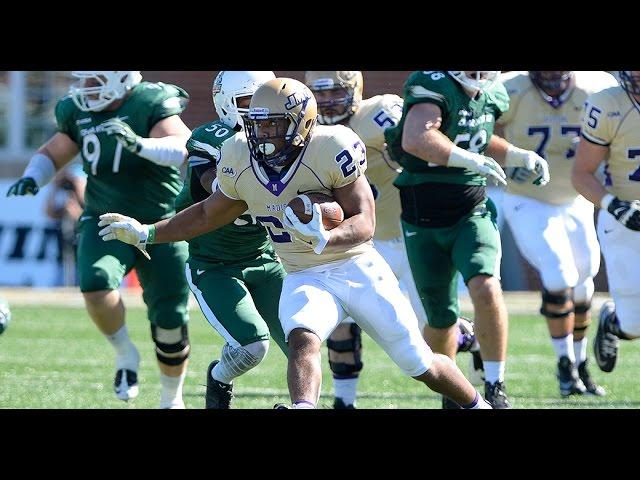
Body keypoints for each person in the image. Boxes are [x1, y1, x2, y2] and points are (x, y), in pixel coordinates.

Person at [98, 77, 492, 409]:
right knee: (302, 336)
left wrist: (327, 236)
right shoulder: (238, 154)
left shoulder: (332, 146)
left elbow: (365, 222)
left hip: (356, 267)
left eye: (273, 125)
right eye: (257, 124)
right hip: (303, 272)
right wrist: (147, 231)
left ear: (301, 123)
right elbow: (206, 214)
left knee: (419, 363)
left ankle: (479, 403)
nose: (262, 134)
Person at [7, 71, 192, 408]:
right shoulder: (78, 110)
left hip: (162, 222)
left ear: (121, 79)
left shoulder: (149, 101)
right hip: (103, 217)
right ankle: (125, 353)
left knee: (169, 319)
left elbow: (183, 148)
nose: (85, 87)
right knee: (95, 283)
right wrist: (35, 175)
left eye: (94, 80)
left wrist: (139, 144)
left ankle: (171, 397)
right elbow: (54, 151)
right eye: (84, 79)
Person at [304, 70, 480, 409]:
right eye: (319, 93)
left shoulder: (379, 112)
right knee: (342, 316)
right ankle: (344, 401)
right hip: (365, 242)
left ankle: (471, 339)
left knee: (428, 330)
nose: (326, 100)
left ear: (355, 89)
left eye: (335, 91)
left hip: (411, 233)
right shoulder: (311, 132)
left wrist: (396, 149)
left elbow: (420, 142)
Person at [384, 71, 550, 408]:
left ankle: (495, 383)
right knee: (440, 317)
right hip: (422, 214)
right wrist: (469, 159)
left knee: (486, 286)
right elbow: (417, 139)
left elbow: (477, 136)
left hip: (470, 208)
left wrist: (518, 155)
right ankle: (454, 392)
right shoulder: (433, 84)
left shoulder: (493, 93)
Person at [498, 71, 617, 396]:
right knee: (557, 272)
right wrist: (504, 160)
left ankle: (579, 365)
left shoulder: (597, 88)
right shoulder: (512, 88)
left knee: (585, 277)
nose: (551, 77)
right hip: (527, 198)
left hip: (576, 198)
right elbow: (477, 129)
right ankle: (565, 364)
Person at [176, 70, 289, 408]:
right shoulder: (212, 138)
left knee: (304, 339)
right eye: (248, 102)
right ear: (227, 104)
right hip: (216, 265)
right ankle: (220, 377)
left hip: (266, 260)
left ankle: (303, 404)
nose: (258, 112)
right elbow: (219, 187)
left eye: (264, 103)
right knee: (253, 346)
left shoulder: (286, 138)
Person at [572, 71, 640, 374]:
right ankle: (614, 322)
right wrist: (614, 205)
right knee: (634, 324)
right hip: (626, 219)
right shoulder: (608, 104)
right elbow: (581, 174)